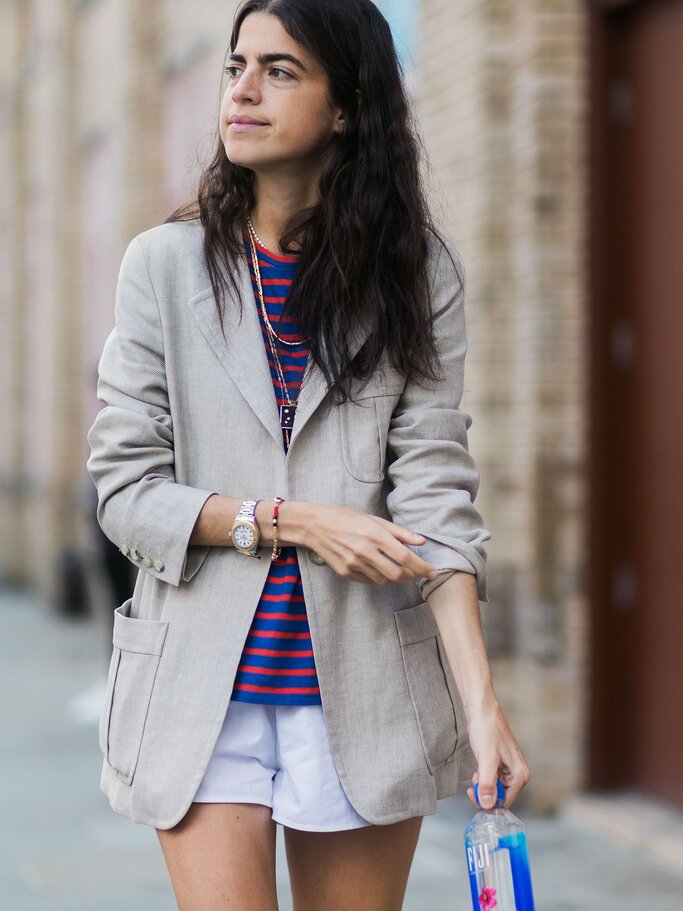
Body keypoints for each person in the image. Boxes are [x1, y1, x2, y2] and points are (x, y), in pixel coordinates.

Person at [86, 1, 530, 909]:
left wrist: (482, 703)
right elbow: (126, 491)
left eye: (279, 70)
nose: (241, 91)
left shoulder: (416, 277)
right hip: (200, 696)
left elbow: (438, 498)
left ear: (344, 105)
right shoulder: (162, 269)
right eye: (234, 67)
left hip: (364, 691)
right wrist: (287, 522)